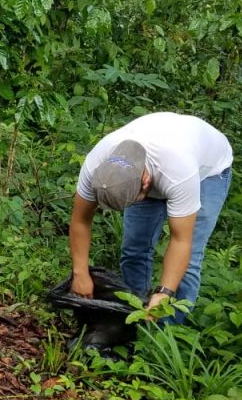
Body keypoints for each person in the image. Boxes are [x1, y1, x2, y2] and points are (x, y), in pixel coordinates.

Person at [69, 112, 233, 324]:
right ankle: (134, 318)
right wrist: (80, 273)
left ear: (145, 182)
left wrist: (164, 292)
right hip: (161, 161)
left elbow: (181, 240)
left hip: (209, 172)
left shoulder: (179, 173)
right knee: (134, 249)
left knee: (189, 261)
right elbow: (80, 221)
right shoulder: (96, 167)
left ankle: (169, 330)